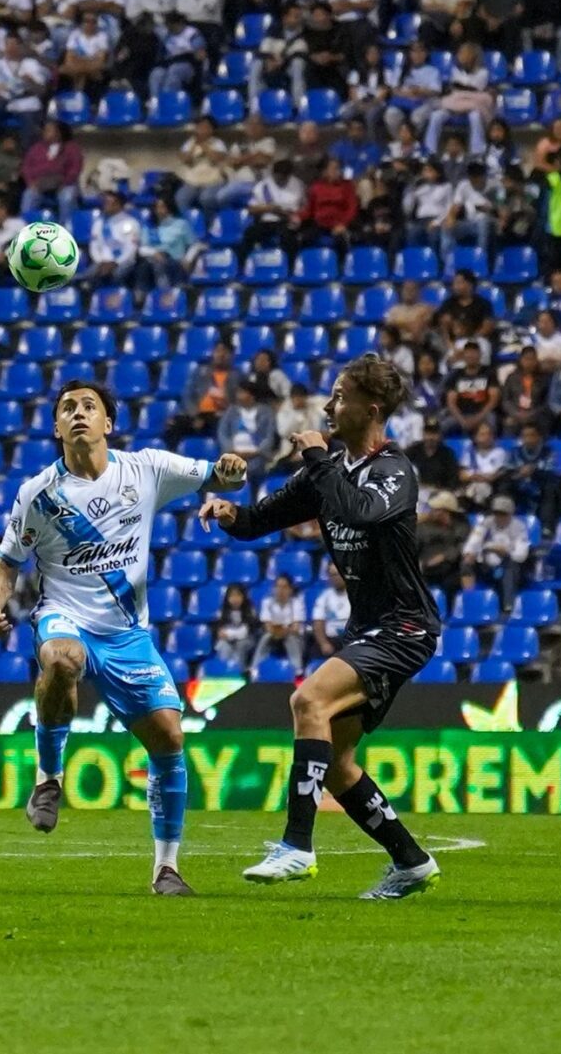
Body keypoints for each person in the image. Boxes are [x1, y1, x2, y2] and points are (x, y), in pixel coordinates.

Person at [0, 379, 247, 895]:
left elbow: (223, 478)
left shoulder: (146, 469)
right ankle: (48, 779)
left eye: (89, 406)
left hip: (127, 634)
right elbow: (6, 564)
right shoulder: (39, 494)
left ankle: (165, 869)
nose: (77, 413)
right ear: (57, 428)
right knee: (61, 659)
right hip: (64, 615)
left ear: (109, 422)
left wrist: (232, 470)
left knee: (170, 738)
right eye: (66, 408)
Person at [199, 354, 442, 899]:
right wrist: (229, 512)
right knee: (335, 763)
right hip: (368, 630)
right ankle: (411, 860)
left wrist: (319, 457)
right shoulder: (328, 471)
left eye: (339, 397)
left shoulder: (395, 471)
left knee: (307, 702)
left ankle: (297, 847)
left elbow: (358, 512)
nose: (329, 407)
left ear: (370, 408)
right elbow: (259, 520)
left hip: (404, 627)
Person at [461, 495, 530, 611]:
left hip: (508, 563)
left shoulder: (519, 527)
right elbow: (474, 540)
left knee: (510, 566)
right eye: (497, 513)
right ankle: (469, 601)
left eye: (503, 514)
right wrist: (470, 553)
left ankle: (508, 604)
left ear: (510, 514)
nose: (499, 517)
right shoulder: (486, 523)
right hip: (486, 563)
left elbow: (521, 554)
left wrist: (506, 552)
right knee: (466, 564)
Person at [250, 574, 306, 676]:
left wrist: (284, 631)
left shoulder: (296, 603)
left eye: (284, 587)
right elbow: (267, 626)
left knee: (291, 638)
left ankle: (297, 669)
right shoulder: (267, 602)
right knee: (266, 637)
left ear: (290, 589)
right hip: (273, 635)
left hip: (292, 635)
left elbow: (296, 627)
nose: (281, 590)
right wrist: (278, 631)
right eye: (278, 587)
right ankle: (255, 668)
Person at [312, 568, 352, 657]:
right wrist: (323, 643)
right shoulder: (324, 597)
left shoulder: (354, 594)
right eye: (333, 575)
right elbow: (318, 623)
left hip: (351, 639)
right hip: (331, 640)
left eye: (338, 574)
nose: (336, 578)